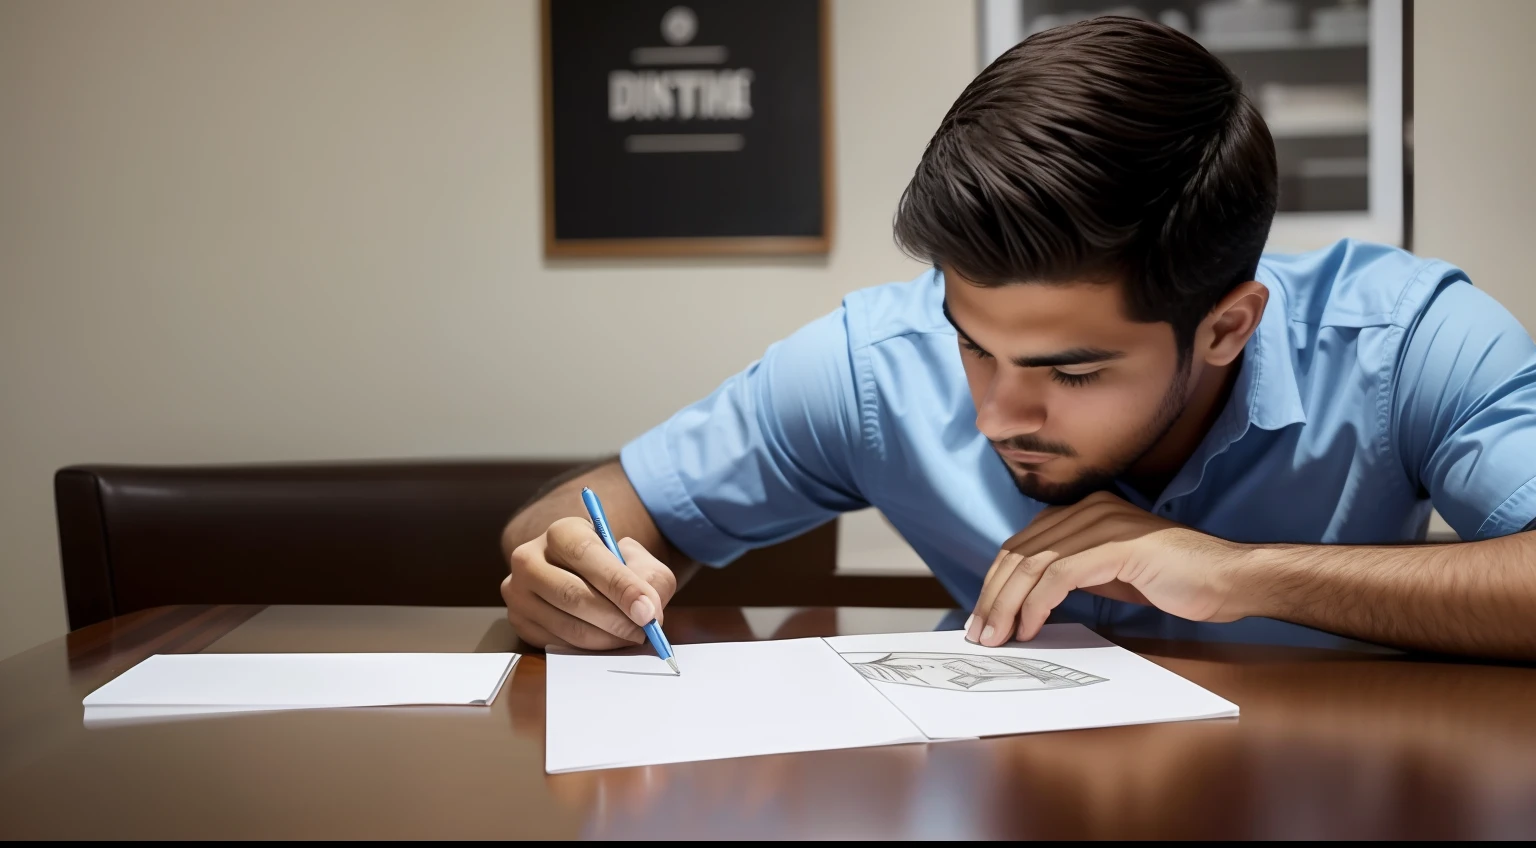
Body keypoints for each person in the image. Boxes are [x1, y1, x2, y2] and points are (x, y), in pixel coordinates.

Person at [500, 17, 1536, 660]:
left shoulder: (1405, 343)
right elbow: (575, 517)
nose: (994, 411)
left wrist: (1239, 572)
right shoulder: (877, 363)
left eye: (1071, 369)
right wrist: (565, 572)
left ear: (1226, 327)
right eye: (972, 342)